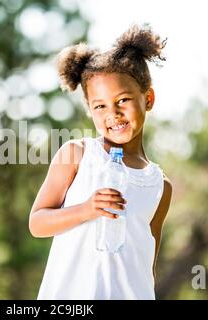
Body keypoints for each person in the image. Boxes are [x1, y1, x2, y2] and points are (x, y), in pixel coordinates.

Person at [28, 24, 173, 300]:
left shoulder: (160, 186)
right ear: (89, 109)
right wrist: (86, 209)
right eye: (100, 106)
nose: (113, 114)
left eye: (124, 100)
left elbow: (147, 264)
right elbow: (37, 223)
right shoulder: (77, 155)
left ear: (149, 98)